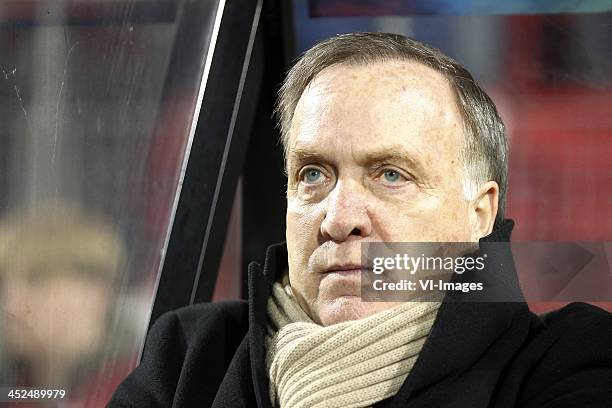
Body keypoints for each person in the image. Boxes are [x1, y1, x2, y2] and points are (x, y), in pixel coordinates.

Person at [110, 33, 612, 407]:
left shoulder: (572, 363)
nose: (340, 218)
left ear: (479, 212)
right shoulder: (187, 358)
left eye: (390, 174)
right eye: (312, 174)